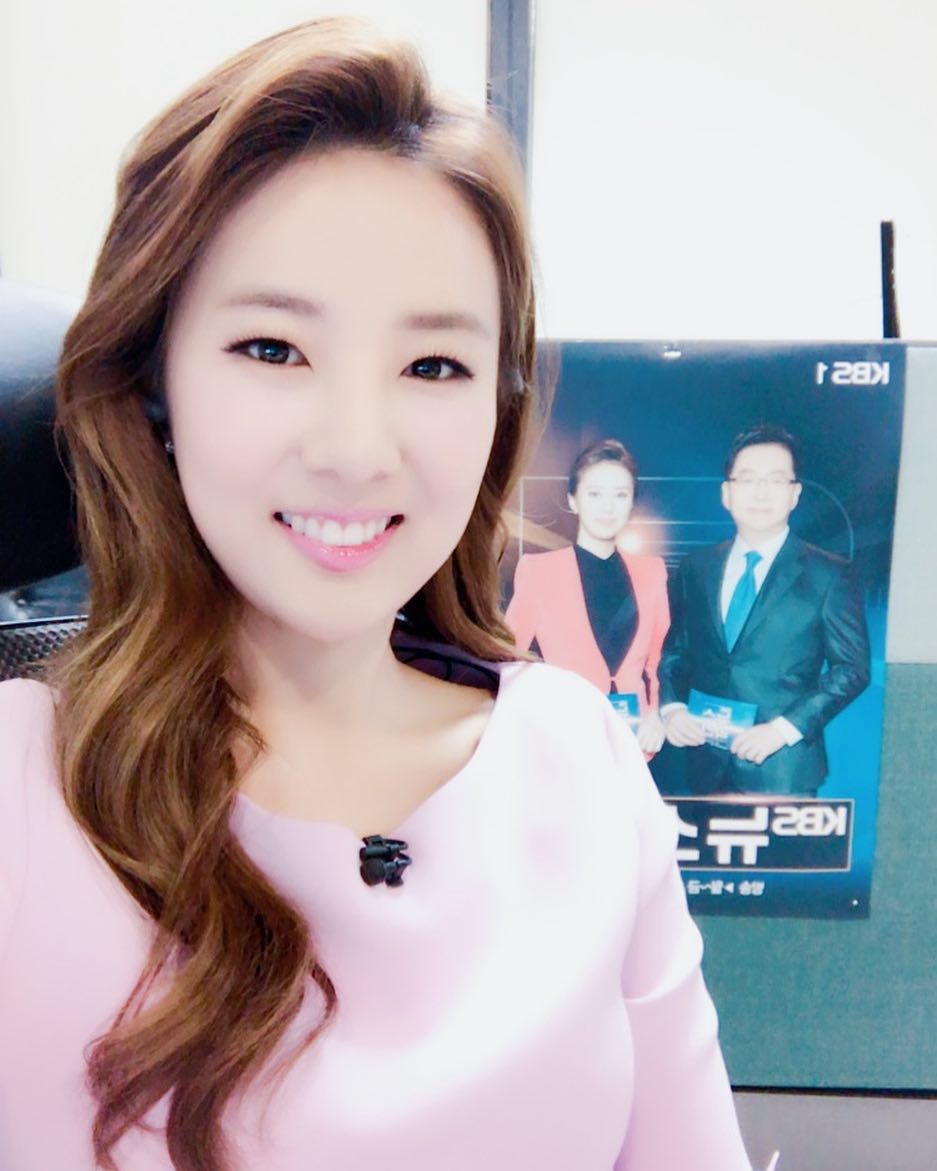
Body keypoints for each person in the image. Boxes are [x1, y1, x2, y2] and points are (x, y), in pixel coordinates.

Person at [0, 20, 756, 1171]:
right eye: (272, 349)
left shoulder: (581, 763)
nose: (357, 451)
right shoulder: (23, 792)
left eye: (433, 365)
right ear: (156, 383)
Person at [660, 423, 870, 796]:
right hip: (702, 765)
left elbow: (851, 669)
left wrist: (783, 730)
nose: (760, 492)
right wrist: (672, 709)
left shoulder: (830, 574)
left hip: (782, 773)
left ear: (794, 494)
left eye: (775, 480)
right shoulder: (695, 568)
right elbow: (676, 653)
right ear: (726, 493)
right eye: (747, 479)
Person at [505, 439, 669, 754]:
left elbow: (656, 663)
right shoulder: (538, 571)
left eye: (620, 495)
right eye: (594, 494)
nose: (608, 507)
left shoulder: (652, 572)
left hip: (634, 745)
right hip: (563, 742)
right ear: (573, 500)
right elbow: (509, 659)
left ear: (631, 503)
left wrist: (654, 715)